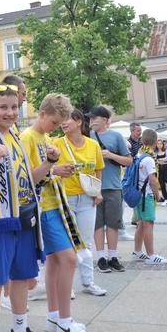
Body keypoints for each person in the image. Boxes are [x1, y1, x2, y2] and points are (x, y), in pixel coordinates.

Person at [21, 94, 92, 332]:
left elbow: (41, 172)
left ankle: (55, 318)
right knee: (69, 260)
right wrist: (53, 168)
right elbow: (28, 177)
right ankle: (64, 322)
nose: (55, 127)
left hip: (53, 205)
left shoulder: (43, 137)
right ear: (41, 114)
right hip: (45, 208)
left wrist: (54, 169)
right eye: (53, 122)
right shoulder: (28, 137)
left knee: (54, 262)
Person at [0, 85, 43, 332]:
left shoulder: (16, 135)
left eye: (14, 107)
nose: (10, 112)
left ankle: (19, 329)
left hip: (24, 216)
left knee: (23, 274)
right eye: (3, 107)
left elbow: (29, 178)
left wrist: (48, 163)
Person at [54, 108, 107, 297]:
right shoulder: (56, 143)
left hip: (87, 199)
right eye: (62, 119)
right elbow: (49, 167)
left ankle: (88, 282)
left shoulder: (92, 145)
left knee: (85, 242)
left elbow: (99, 169)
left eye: (68, 118)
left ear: (79, 122)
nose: (64, 122)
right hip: (65, 199)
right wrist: (57, 168)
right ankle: (66, 285)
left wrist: (97, 190)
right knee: (66, 244)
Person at [88, 106, 132, 273]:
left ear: (106, 120)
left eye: (95, 118)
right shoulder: (88, 137)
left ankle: (113, 257)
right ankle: (100, 258)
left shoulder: (116, 136)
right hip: (94, 187)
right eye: (90, 118)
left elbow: (128, 161)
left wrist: (111, 155)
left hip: (113, 186)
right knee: (97, 224)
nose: (92, 121)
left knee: (113, 223)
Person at [132, 129, 167, 264]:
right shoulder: (149, 158)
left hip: (137, 194)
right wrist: (157, 195)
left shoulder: (138, 155)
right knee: (148, 224)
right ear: (155, 141)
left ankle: (137, 251)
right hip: (145, 195)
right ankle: (151, 255)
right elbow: (152, 180)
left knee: (141, 224)